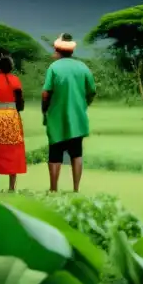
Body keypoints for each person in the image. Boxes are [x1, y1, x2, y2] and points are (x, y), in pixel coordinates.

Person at [42, 33, 96, 193]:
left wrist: (45, 109)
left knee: (55, 153)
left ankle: (53, 189)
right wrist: (84, 104)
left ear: (58, 50)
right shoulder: (82, 67)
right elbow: (92, 91)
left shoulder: (53, 67)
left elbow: (46, 93)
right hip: (77, 118)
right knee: (76, 153)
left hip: (56, 118)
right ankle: (76, 189)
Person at [0, 55, 26, 192]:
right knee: (13, 151)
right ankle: (11, 188)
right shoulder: (16, 81)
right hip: (12, 118)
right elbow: (20, 105)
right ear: (11, 67)